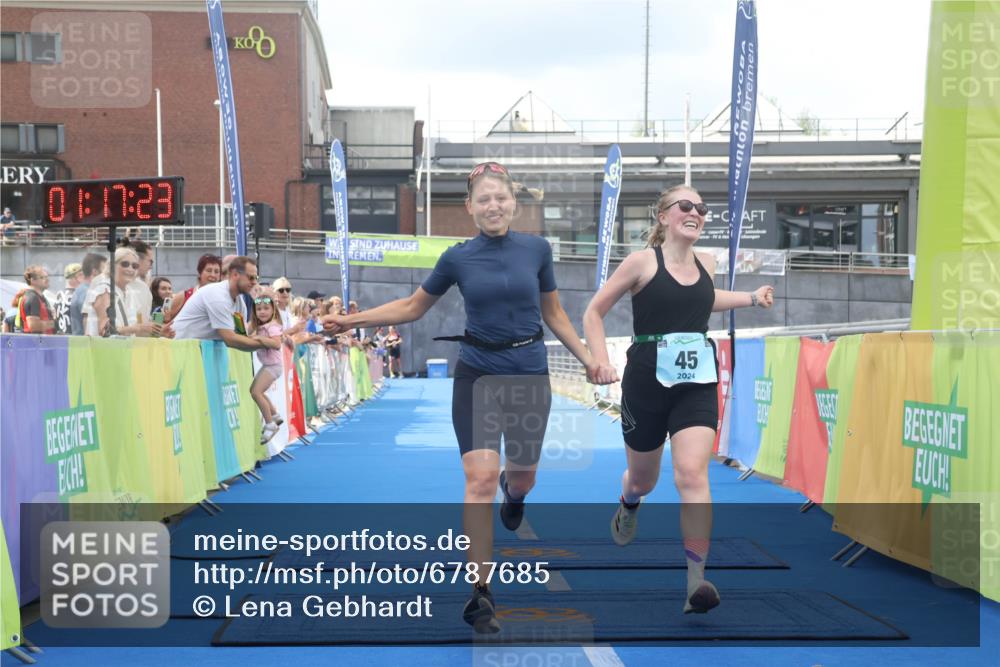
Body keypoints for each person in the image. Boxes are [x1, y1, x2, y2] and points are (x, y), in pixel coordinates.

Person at [322, 161, 598, 633]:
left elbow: (555, 314)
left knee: (522, 478)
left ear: (514, 202)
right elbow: (412, 307)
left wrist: (591, 359)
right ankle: (481, 592)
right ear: (470, 207)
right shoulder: (457, 257)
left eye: (501, 197)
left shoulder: (537, 249)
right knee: (479, 478)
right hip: (478, 376)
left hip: (529, 374)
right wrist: (351, 320)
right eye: (483, 199)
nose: (493, 205)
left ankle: (518, 495)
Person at [583, 184, 774, 615]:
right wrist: (599, 360)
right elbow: (594, 311)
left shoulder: (706, 262)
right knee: (644, 479)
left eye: (702, 208)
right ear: (664, 216)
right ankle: (629, 502)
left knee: (692, 474)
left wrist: (749, 298)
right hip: (645, 381)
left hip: (696, 381)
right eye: (685, 206)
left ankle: (696, 580)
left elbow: (705, 300)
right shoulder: (641, 262)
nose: (696, 213)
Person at [171, 256, 268, 352]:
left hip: (193, 352)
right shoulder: (218, 296)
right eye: (251, 277)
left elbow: (242, 337)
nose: (255, 282)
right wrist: (267, 343)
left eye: (256, 278)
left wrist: (266, 339)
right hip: (179, 351)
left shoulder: (239, 302)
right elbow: (231, 340)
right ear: (235, 275)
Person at [85, 247, 161, 337]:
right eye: (125, 264)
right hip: (103, 350)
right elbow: (105, 331)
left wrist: (159, 331)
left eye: (135, 266)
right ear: (112, 265)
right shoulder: (104, 290)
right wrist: (138, 328)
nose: (130, 269)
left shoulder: (130, 293)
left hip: (126, 349)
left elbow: (137, 329)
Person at [248, 292, 286, 444]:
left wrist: (259, 338)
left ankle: (270, 424)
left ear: (273, 310)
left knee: (256, 392)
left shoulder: (272, 326)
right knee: (255, 391)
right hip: (269, 365)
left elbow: (276, 344)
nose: (262, 312)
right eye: (258, 309)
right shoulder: (261, 325)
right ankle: (275, 416)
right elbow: (246, 331)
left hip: (273, 366)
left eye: (265, 308)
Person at [164, 253, 222, 324]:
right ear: (200, 273)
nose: (213, 275)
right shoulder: (183, 296)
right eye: (209, 271)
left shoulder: (223, 300)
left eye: (216, 272)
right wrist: (166, 320)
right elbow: (164, 322)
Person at [72, 253, 106, 335]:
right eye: (105, 270)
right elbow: (87, 325)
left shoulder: (80, 290)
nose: (108, 274)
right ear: (94, 272)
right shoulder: (87, 293)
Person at [19, 265, 55, 335]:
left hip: (43, 342)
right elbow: (33, 326)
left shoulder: (40, 297)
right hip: (35, 343)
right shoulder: (32, 298)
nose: (47, 279)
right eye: (42, 277)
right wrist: (55, 323)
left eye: (47, 277)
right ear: (33, 280)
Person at [127, 239, 155, 324]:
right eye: (150, 261)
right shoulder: (107, 286)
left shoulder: (144, 288)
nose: (151, 266)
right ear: (137, 258)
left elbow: (144, 321)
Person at [53, 263, 83, 334]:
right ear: (77, 277)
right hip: (77, 340)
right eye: (82, 275)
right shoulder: (79, 296)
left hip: (62, 340)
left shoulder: (59, 296)